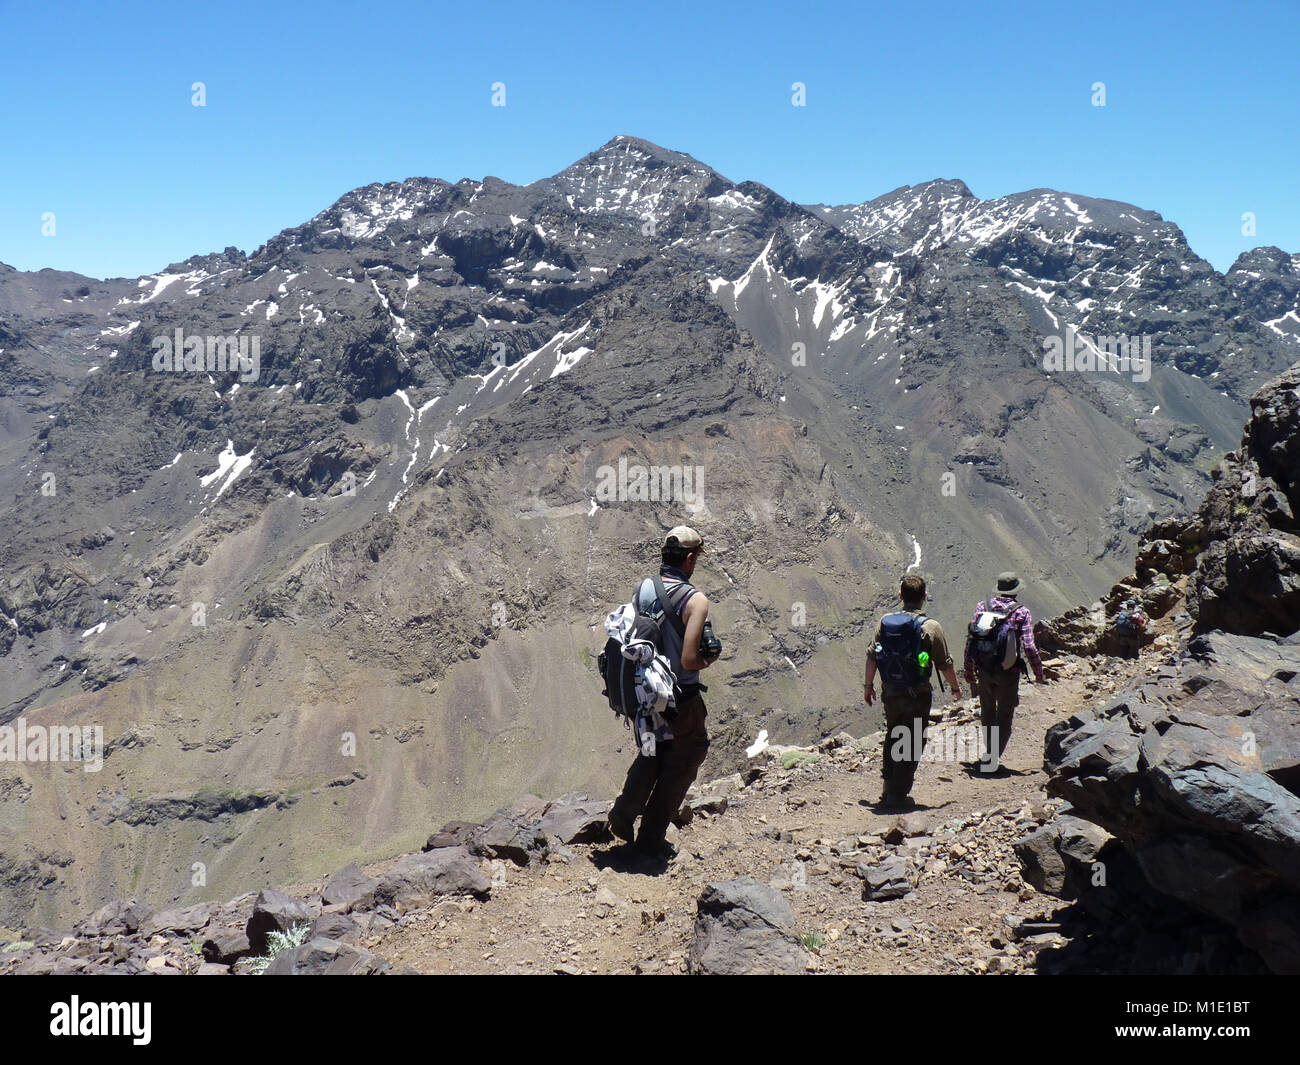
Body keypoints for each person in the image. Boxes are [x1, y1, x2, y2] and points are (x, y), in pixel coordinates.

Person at [608, 526, 718, 861]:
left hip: (645, 696)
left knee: (652, 751)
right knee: (685, 758)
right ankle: (651, 838)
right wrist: (708, 658)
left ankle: (623, 814)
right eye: (696, 558)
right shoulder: (696, 600)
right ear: (689, 559)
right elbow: (687, 658)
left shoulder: (642, 589)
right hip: (679, 698)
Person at [863, 574, 962, 808]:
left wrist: (868, 687)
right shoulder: (931, 627)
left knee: (893, 734)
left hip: (890, 691)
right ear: (924, 598)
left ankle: (888, 788)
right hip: (917, 693)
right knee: (913, 740)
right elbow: (944, 663)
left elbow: (872, 656)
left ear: (900, 596)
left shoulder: (885, 622)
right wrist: (955, 688)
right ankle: (898, 796)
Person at [963, 572, 1046, 774]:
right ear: (1016, 591)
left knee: (988, 713)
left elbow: (971, 638)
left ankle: (988, 755)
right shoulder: (1022, 612)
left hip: (983, 669)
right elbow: (1029, 646)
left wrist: (968, 667)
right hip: (1008, 672)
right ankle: (991, 760)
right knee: (1005, 716)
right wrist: (1038, 672)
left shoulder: (983, 607)